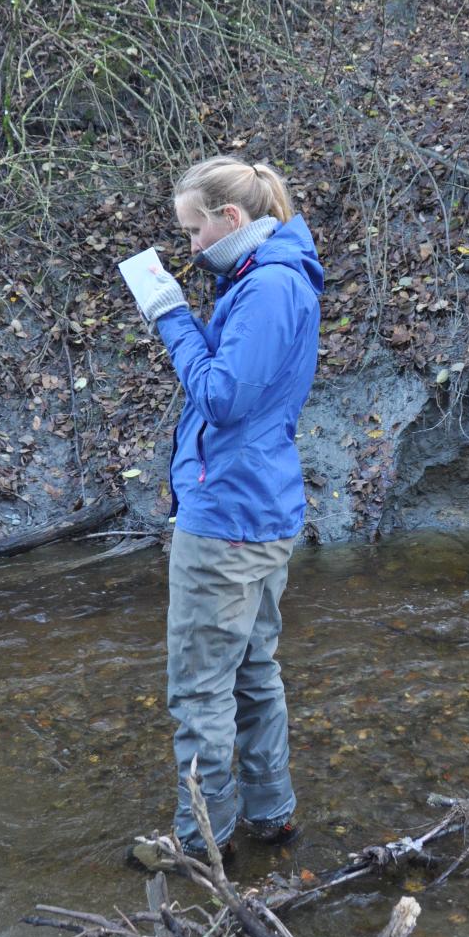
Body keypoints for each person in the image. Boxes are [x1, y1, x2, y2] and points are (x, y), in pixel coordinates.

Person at [130, 155, 323, 861]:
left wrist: (171, 318)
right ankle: (270, 815)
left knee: (200, 691)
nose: (190, 245)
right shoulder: (265, 277)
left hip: (228, 518)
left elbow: (220, 397)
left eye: (194, 230)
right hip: (260, 509)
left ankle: (201, 843)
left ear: (231, 218)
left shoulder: (267, 287)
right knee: (251, 673)